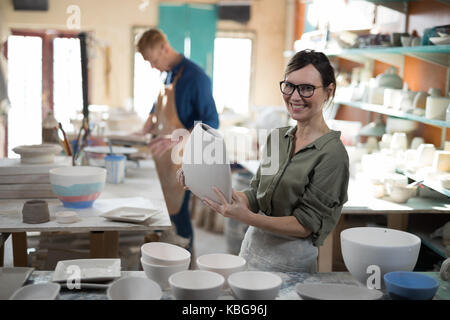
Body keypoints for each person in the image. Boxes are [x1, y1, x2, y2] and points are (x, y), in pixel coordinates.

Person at [178, 49, 349, 272]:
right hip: (251, 252)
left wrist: (247, 218)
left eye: (307, 88)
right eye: (289, 86)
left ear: (328, 92)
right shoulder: (278, 138)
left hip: (292, 265)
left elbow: (305, 225)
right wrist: (204, 183)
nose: (295, 96)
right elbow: (257, 194)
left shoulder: (333, 154)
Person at [136, 28, 219, 252]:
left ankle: (186, 270)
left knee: (180, 218)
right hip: (165, 159)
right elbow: (159, 108)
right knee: (165, 217)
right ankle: (166, 261)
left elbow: (212, 122)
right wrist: (148, 123)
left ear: (165, 48)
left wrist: (178, 138)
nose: (153, 67)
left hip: (185, 160)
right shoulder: (169, 74)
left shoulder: (196, 77)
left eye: (154, 60)